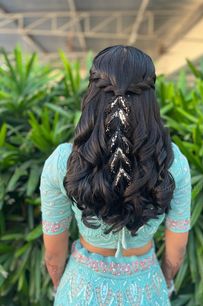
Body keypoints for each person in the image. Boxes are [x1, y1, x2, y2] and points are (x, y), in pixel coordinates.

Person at [39, 45, 192, 306]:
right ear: (149, 98)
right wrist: (164, 282)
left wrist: (60, 286)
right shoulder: (172, 160)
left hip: (81, 290)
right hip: (147, 290)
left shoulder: (63, 162)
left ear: (91, 94)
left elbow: (53, 256)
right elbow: (176, 251)